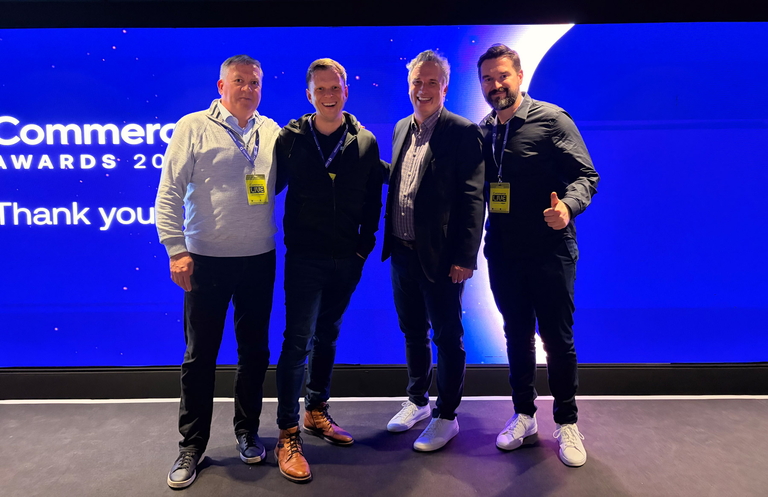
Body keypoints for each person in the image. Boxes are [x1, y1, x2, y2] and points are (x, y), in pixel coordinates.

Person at [155, 54, 281, 489]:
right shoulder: (193, 126)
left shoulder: (271, 131)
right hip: (204, 260)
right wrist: (176, 249)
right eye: (239, 81)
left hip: (259, 259)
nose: (248, 89)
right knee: (199, 357)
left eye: (255, 82)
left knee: (254, 355)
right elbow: (168, 192)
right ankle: (192, 445)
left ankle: (247, 432)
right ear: (221, 85)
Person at [476, 44, 600, 467]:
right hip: (504, 253)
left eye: (503, 76)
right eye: (488, 79)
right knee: (516, 336)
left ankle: (566, 423)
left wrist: (567, 207)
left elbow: (587, 175)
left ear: (520, 76)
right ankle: (524, 416)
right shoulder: (484, 130)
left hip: (551, 251)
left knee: (557, 340)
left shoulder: (551, 119)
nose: (496, 85)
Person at [273, 58, 383, 483]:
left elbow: (373, 202)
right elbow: (263, 181)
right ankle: (287, 433)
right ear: (309, 95)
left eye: (334, 87)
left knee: (328, 336)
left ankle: (316, 410)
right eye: (320, 89)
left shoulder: (365, 142)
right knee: (297, 341)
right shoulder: (292, 138)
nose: (328, 95)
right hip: (303, 258)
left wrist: (362, 251)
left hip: (346, 260)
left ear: (345, 90)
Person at [383, 50, 485, 452]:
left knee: (447, 336)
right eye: (416, 82)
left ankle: (447, 416)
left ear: (444, 87)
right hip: (403, 254)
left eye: (430, 82)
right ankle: (417, 401)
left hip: (443, 258)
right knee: (412, 331)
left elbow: (473, 199)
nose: (422, 89)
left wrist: (464, 257)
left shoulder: (462, 132)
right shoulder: (400, 129)